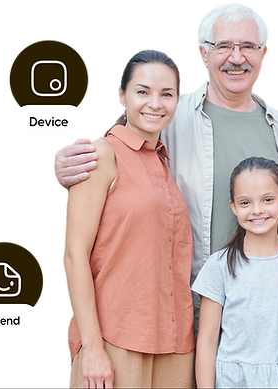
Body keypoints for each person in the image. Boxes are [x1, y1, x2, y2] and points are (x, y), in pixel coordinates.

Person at [49, 0, 278, 326]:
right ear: (201, 53)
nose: (236, 58)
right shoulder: (168, 112)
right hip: (188, 300)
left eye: (248, 46)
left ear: (265, 53)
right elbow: (117, 149)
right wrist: (61, 161)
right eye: (223, 46)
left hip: (267, 300)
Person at [61, 46, 195, 388]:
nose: (155, 103)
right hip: (115, 338)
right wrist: (92, 347)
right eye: (142, 91)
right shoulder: (101, 155)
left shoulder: (165, 163)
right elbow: (74, 255)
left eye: (167, 94)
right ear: (120, 96)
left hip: (175, 343)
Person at [192, 157, 278, 388]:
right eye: (245, 203)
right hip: (234, 381)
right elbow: (206, 341)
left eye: (267, 200)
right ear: (233, 206)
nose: (257, 210)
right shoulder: (220, 266)